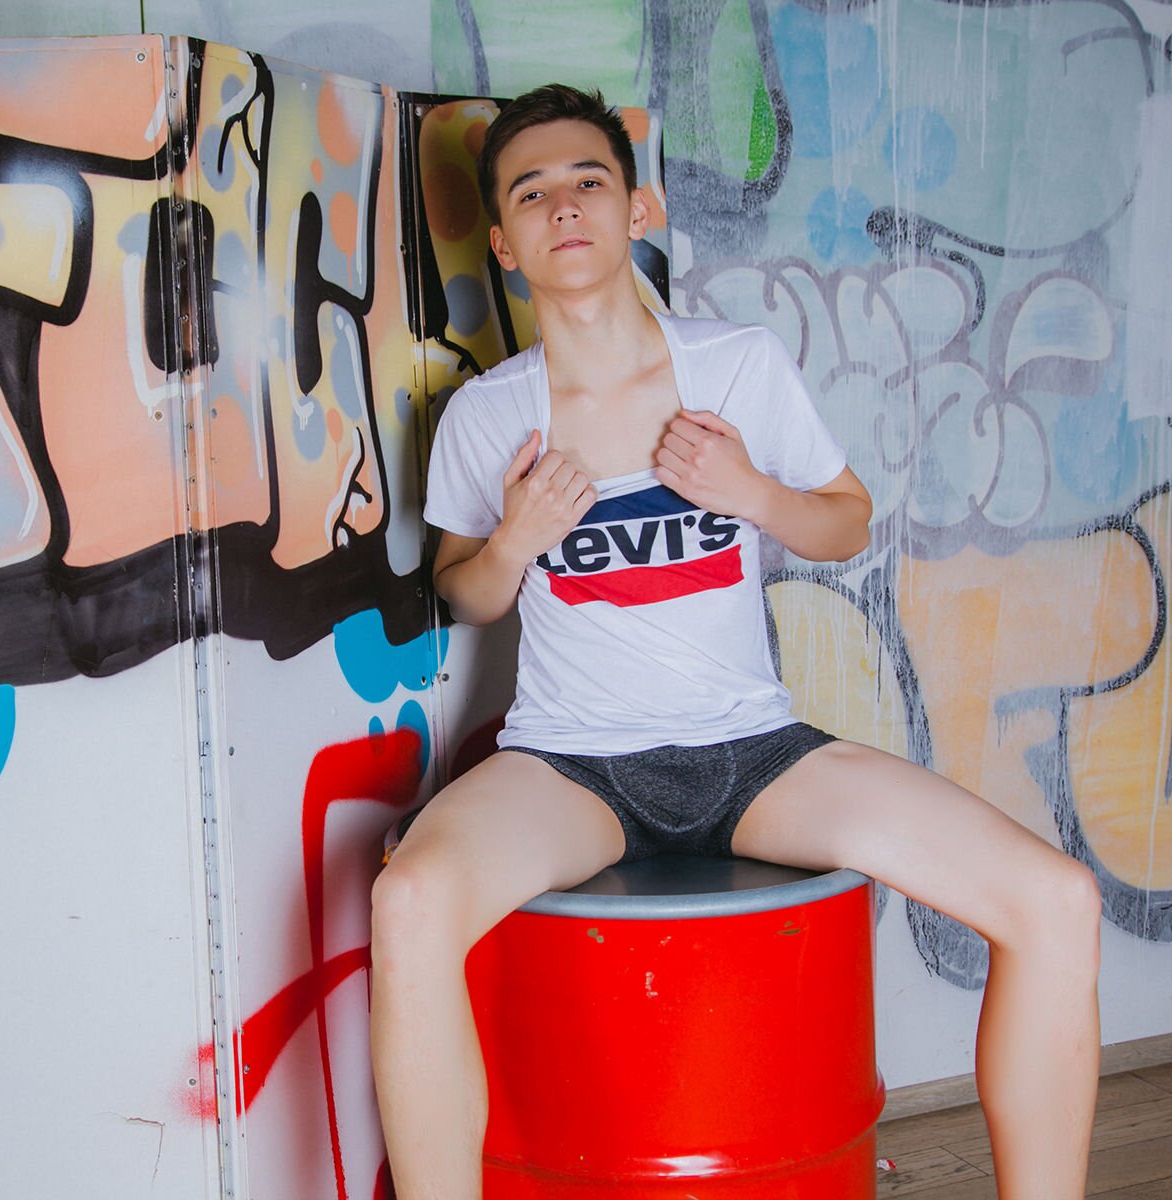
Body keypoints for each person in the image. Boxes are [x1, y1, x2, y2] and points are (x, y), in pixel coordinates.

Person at [368, 83, 1101, 1200]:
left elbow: (846, 521)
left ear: (636, 210)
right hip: (571, 763)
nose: (563, 207)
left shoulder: (736, 365)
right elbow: (464, 593)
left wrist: (751, 490)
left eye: (588, 181)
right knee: (409, 903)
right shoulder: (487, 415)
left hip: (753, 754)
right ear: (506, 243)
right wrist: (514, 539)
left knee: (1057, 900)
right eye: (531, 193)